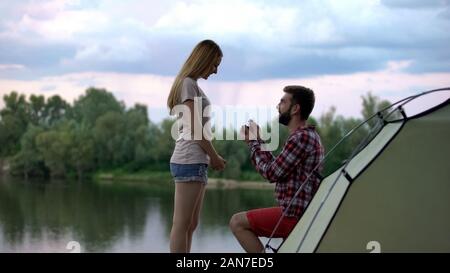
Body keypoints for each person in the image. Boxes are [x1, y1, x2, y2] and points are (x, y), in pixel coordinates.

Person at [229, 85, 325, 253]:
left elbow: (271, 173)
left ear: (295, 109)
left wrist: (253, 143)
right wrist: (258, 140)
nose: (277, 106)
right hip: (298, 213)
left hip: (293, 215)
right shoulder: (305, 136)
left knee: (237, 223)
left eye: (282, 102)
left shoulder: (301, 137)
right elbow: (277, 169)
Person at [167, 39, 226, 253]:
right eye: (214, 64)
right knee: (181, 224)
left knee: (191, 225)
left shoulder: (191, 84)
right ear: (204, 60)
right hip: (189, 159)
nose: (216, 70)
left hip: (196, 160)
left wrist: (209, 157)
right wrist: (215, 156)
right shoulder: (188, 84)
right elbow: (195, 129)